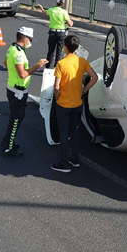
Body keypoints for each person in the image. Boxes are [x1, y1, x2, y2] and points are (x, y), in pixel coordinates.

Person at [51, 35, 98, 173]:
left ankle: (64, 163)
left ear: (65, 47)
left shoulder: (61, 63)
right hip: (77, 103)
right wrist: (84, 90)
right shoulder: (82, 61)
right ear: (77, 48)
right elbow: (94, 77)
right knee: (74, 131)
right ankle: (75, 159)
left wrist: (57, 98)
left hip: (64, 104)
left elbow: (57, 86)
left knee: (64, 134)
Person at [0, 27, 48, 157]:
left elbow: (5, 63)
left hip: (12, 88)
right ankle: (8, 148)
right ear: (25, 38)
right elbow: (23, 74)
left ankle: (7, 141)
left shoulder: (12, 49)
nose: (30, 41)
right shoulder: (19, 54)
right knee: (16, 120)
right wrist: (38, 65)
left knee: (13, 119)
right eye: (30, 39)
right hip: (18, 92)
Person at [35, 0, 74, 69]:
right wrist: (72, 21)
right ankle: (57, 69)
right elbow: (70, 24)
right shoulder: (64, 12)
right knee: (59, 52)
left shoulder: (52, 10)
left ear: (56, 3)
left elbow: (44, 12)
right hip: (61, 33)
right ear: (63, 4)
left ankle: (48, 68)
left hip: (52, 33)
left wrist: (41, 7)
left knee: (51, 51)